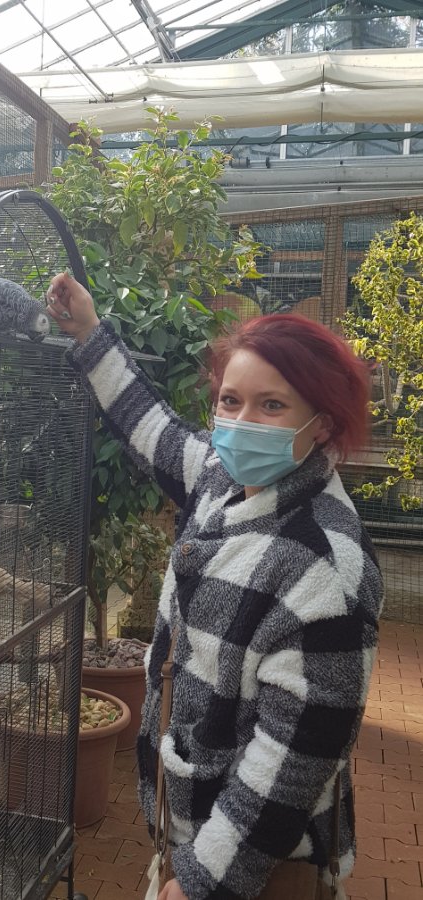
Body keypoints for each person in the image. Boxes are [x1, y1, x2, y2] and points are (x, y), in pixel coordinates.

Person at [46, 273, 383, 900]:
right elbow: (150, 426)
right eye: (230, 401)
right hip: (184, 835)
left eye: (272, 405)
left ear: (322, 425)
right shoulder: (222, 478)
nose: (241, 422)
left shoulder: (326, 569)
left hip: (254, 870)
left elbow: (292, 764)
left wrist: (201, 882)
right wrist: (90, 333)